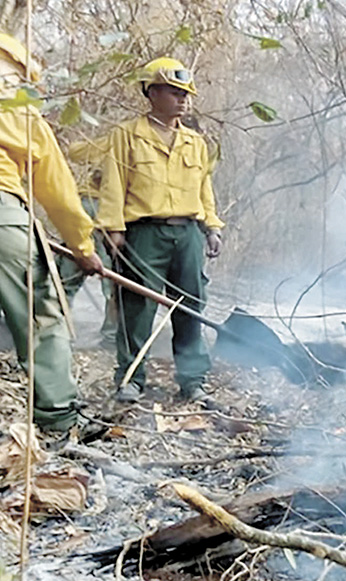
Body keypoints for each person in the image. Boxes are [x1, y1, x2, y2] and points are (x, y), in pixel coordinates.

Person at [97, 57, 223, 405]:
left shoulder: (195, 142)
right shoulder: (126, 136)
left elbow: (204, 190)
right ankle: (131, 380)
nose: (182, 100)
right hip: (143, 233)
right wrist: (113, 229)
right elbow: (113, 185)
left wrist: (211, 227)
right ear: (151, 92)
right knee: (137, 307)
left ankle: (193, 381)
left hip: (188, 235)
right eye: (174, 92)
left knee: (191, 306)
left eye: (185, 94)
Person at [0, 34, 104, 438]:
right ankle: (59, 418)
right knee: (41, 316)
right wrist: (83, 248)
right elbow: (58, 193)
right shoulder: (21, 114)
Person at [57, 134, 117, 347]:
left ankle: (56, 332)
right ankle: (111, 337)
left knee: (67, 278)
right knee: (113, 280)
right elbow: (77, 153)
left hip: (96, 208)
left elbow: (77, 152)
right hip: (109, 212)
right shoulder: (125, 136)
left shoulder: (120, 136)